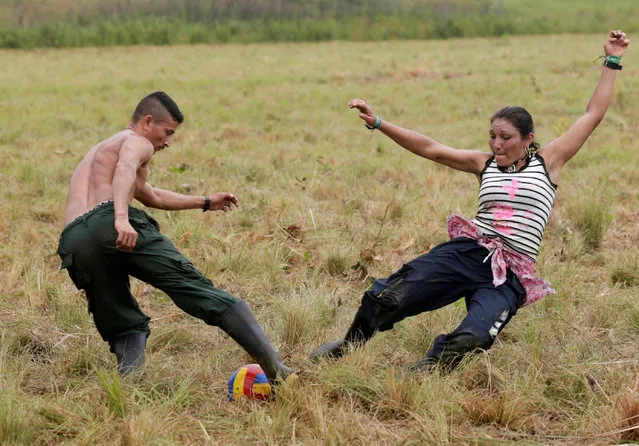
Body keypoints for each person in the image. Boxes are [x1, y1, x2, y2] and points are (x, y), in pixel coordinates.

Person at [310, 30, 630, 371]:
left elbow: (593, 115)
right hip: (469, 253)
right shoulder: (484, 164)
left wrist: (612, 60)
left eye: (506, 138)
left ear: (528, 140)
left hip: (510, 274)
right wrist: (379, 123)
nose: (497, 144)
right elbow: (431, 149)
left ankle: (424, 371)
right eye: (492, 136)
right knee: (387, 296)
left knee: (474, 338)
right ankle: (349, 345)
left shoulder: (549, 162)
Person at [57, 91, 292, 381]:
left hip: (74, 240)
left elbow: (151, 195)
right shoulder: (136, 142)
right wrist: (121, 218)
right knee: (195, 288)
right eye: (167, 132)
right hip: (109, 221)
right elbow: (127, 167)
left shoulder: (102, 151)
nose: (168, 142)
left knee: (120, 317)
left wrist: (206, 201)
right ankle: (279, 372)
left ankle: (127, 390)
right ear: (146, 122)